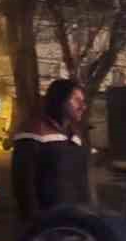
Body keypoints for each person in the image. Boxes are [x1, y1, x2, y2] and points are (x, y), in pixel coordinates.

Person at [10, 79, 90, 225]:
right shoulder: (34, 131)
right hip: (44, 223)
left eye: (83, 101)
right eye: (76, 100)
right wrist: (33, 220)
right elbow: (23, 183)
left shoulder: (75, 137)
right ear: (59, 100)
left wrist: (86, 213)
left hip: (72, 221)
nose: (83, 106)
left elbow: (82, 182)